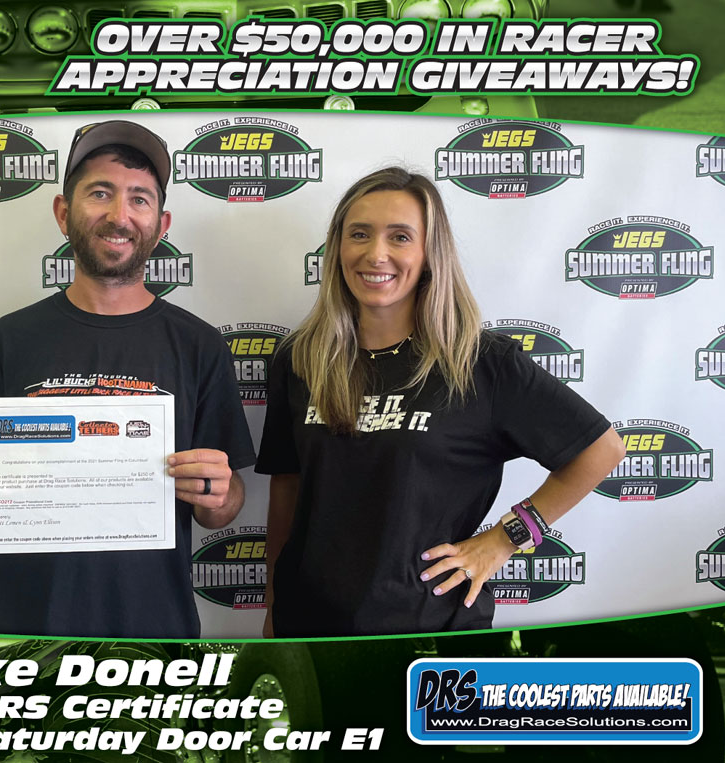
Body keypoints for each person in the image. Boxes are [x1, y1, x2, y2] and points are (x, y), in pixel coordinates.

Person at [256, 167, 625, 638]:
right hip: (309, 626)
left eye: (400, 237)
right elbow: (286, 491)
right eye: (359, 234)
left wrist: (505, 539)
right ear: (337, 248)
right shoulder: (301, 358)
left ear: (430, 253)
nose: (376, 253)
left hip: (433, 631)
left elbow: (602, 449)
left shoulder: (479, 362)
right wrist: (273, 605)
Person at [0, 120, 256, 638]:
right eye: (100, 193)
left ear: (161, 224)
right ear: (64, 213)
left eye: (139, 199)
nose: (119, 215)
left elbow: (223, 509)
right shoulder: (12, 338)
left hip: (155, 630)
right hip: (25, 631)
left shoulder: (199, 344)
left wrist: (219, 494)